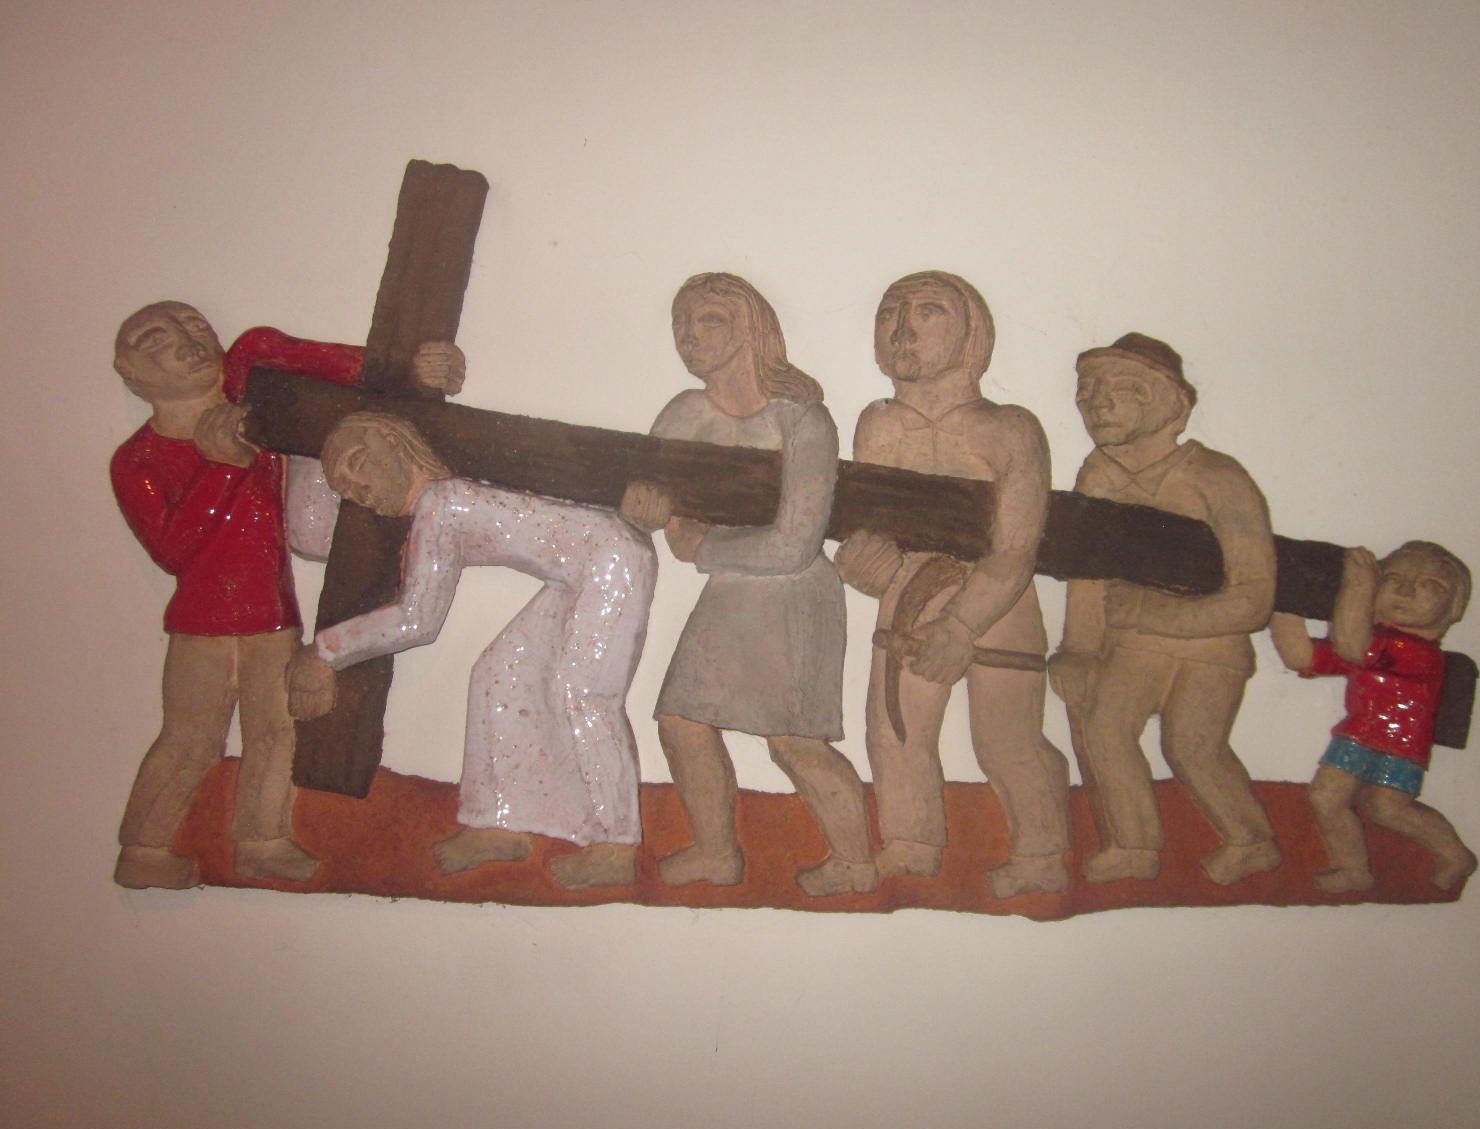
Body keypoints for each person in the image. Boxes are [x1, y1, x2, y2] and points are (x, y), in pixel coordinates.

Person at [108, 301, 424, 889]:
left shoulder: (254, 404)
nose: (186, 341)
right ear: (132, 376)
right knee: (191, 739)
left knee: (277, 731)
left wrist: (407, 367)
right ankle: (144, 848)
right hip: (201, 626)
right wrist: (222, 467)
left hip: (272, 616)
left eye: (195, 326)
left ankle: (262, 840)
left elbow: (329, 365)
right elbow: (172, 551)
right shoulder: (138, 461)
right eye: (155, 340)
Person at [285, 413, 656, 888]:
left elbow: (416, 619)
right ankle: (501, 821)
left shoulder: (442, 502)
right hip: (581, 570)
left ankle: (616, 844)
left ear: (393, 443)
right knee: (502, 675)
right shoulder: (445, 499)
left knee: (583, 695)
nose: (361, 490)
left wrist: (325, 651)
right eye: (347, 490)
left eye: (359, 466)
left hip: (614, 559)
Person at [619, 273, 876, 896]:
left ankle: (856, 860)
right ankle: (716, 852)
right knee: (682, 721)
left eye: (709, 320)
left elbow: (795, 543)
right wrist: (642, 510)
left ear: (750, 330)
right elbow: (653, 504)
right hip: (732, 587)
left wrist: (704, 546)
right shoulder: (684, 415)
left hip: (795, 593)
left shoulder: (803, 420)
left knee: (793, 740)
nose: (689, 336)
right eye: (681, 322)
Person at [836, 271, 1069, 899]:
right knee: (895, 730)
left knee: (1007, 737)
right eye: (890, 311)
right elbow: (872, 528)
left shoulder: (1009, 429)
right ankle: (910, 841)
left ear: (972, 333)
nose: (902, 327)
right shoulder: (878, 425)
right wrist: (862, 562)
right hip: (910, 592)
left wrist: (963, 625)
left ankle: (1042, 850)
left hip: (996, 600)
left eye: (928, 311)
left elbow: (1016, 548)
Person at [1051, 333, 1281, 886]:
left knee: (1192, 746)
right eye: (1087, 389)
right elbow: (1089, 573)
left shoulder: (1216, 477)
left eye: (1124, 389)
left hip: (1211, 646)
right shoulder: (1099, 475)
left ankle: (1252, 840)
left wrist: (1158, 617)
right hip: (1133, 645)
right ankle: (1134, 844)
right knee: (1105, 730)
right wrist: (1079, 649)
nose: (1098, 403)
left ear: (1171, 404)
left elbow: (1254, 595)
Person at [1269, 542, 1477, 892]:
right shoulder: (1379, 642)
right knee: (1326, 797)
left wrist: (1358, 586)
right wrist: (1283, 601)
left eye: (1429, 585)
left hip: (1401, 744)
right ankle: (1353, 869)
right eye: (1391, 578)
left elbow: (1354, 647)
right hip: (1358, 735)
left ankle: (1455, 854)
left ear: (1453, 606)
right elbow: (1302, 657)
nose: (1405, 590)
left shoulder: (1418, 653)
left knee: (1387, 809)